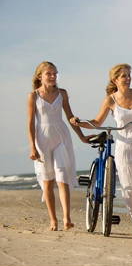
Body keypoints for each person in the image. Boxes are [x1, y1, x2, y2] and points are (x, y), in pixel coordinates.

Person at [71, 63, 132, 237]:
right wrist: (80, 122)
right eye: (124, 76)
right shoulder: (110, 100)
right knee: (130, 189)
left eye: (129, 75)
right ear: (115, 80)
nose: (128, 78)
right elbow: (97, 122)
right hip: (125, 148)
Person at [27, 61, 91, 231]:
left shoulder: (62, 93)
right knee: (48, 181)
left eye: (55, 73)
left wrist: (82, 136)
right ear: (40, 76)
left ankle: (67, 218)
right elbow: (30, 124)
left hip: (61, 137)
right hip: (42, 139)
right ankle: (53, 220)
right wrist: (32, 147)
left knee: (62, 178)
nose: (53, 76)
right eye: (49, 73)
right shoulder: (33, 96)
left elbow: (70, 117)